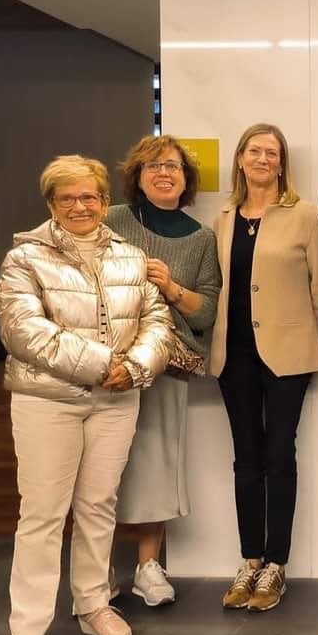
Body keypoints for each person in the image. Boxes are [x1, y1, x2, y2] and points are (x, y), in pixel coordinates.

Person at [0, 156, 171, 635]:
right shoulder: (23, 259)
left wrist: (136, 368)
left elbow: (156, 321)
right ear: (51, 204)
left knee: (98, 506)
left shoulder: (129, 256)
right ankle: (26, 632)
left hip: (117, 401)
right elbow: (22, 331)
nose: (80, 206)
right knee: (44, 514)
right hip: (47, 401)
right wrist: (103, 366)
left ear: (103, 201)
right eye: (68, 198)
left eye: (89, 197)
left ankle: (94, 604)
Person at [211, 124, 318, 613]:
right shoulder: (223, 218)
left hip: (287, 355)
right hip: (233, 354)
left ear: (283, 164)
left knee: (279, 453)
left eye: (273, 153)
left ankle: (276, 565)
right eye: (255, 151)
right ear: (240, 159)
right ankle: (250, 559)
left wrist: (297, 331)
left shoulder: (304, 215)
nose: (264, 159)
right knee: (246, 457)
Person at [107, 135, 221, 606]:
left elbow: (207, 311)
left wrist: (172, 287)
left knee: (155, 466)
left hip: (166, 367)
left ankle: (148, 568)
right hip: (107, 365)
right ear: (137, 176)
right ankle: (98, 573)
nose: (163, 173)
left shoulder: (200, 238)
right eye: (153, 166)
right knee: (102, 470)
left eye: (172, 166)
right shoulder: (110, 220)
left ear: (186, 178)